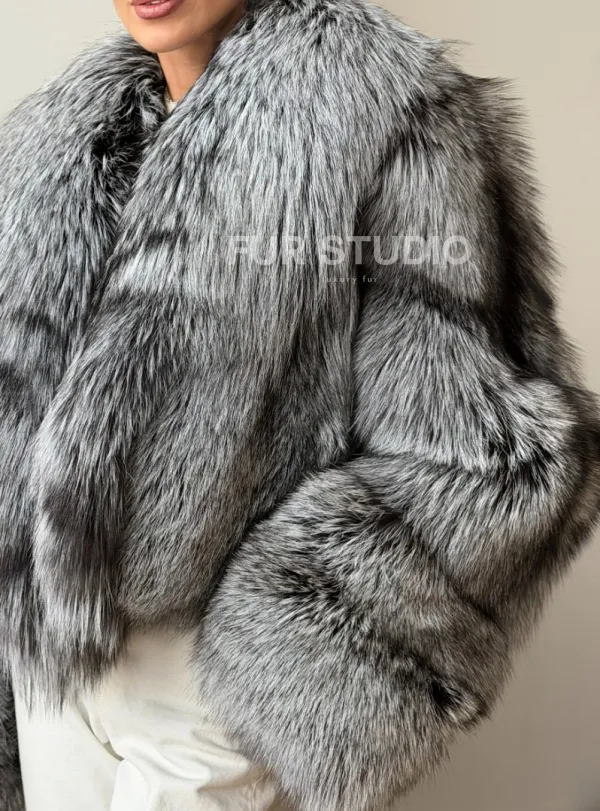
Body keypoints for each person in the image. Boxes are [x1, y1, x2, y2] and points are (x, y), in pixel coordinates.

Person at [1, 0, 599, 809]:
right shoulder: (56, 140)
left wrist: (282, 653)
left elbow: (490, 456)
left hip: (210, 688)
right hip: (54, 670)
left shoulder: (388, 114)